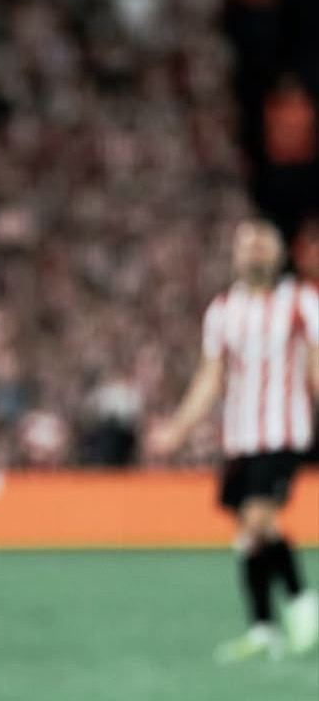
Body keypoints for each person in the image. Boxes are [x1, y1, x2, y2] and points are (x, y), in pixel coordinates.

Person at [150, 217, 319, 663]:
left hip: (283, 431)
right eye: (247, 243)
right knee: (249, 532)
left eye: (263, 242)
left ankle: (302, 599)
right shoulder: (223, 310)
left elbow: (316, 366)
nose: (255, 249)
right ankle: (263, 628)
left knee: (258, 520)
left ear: (279, 252)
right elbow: (211, 378)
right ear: (235, 253)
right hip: (239, 436)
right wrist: (178, 429)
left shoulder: (302, 302)